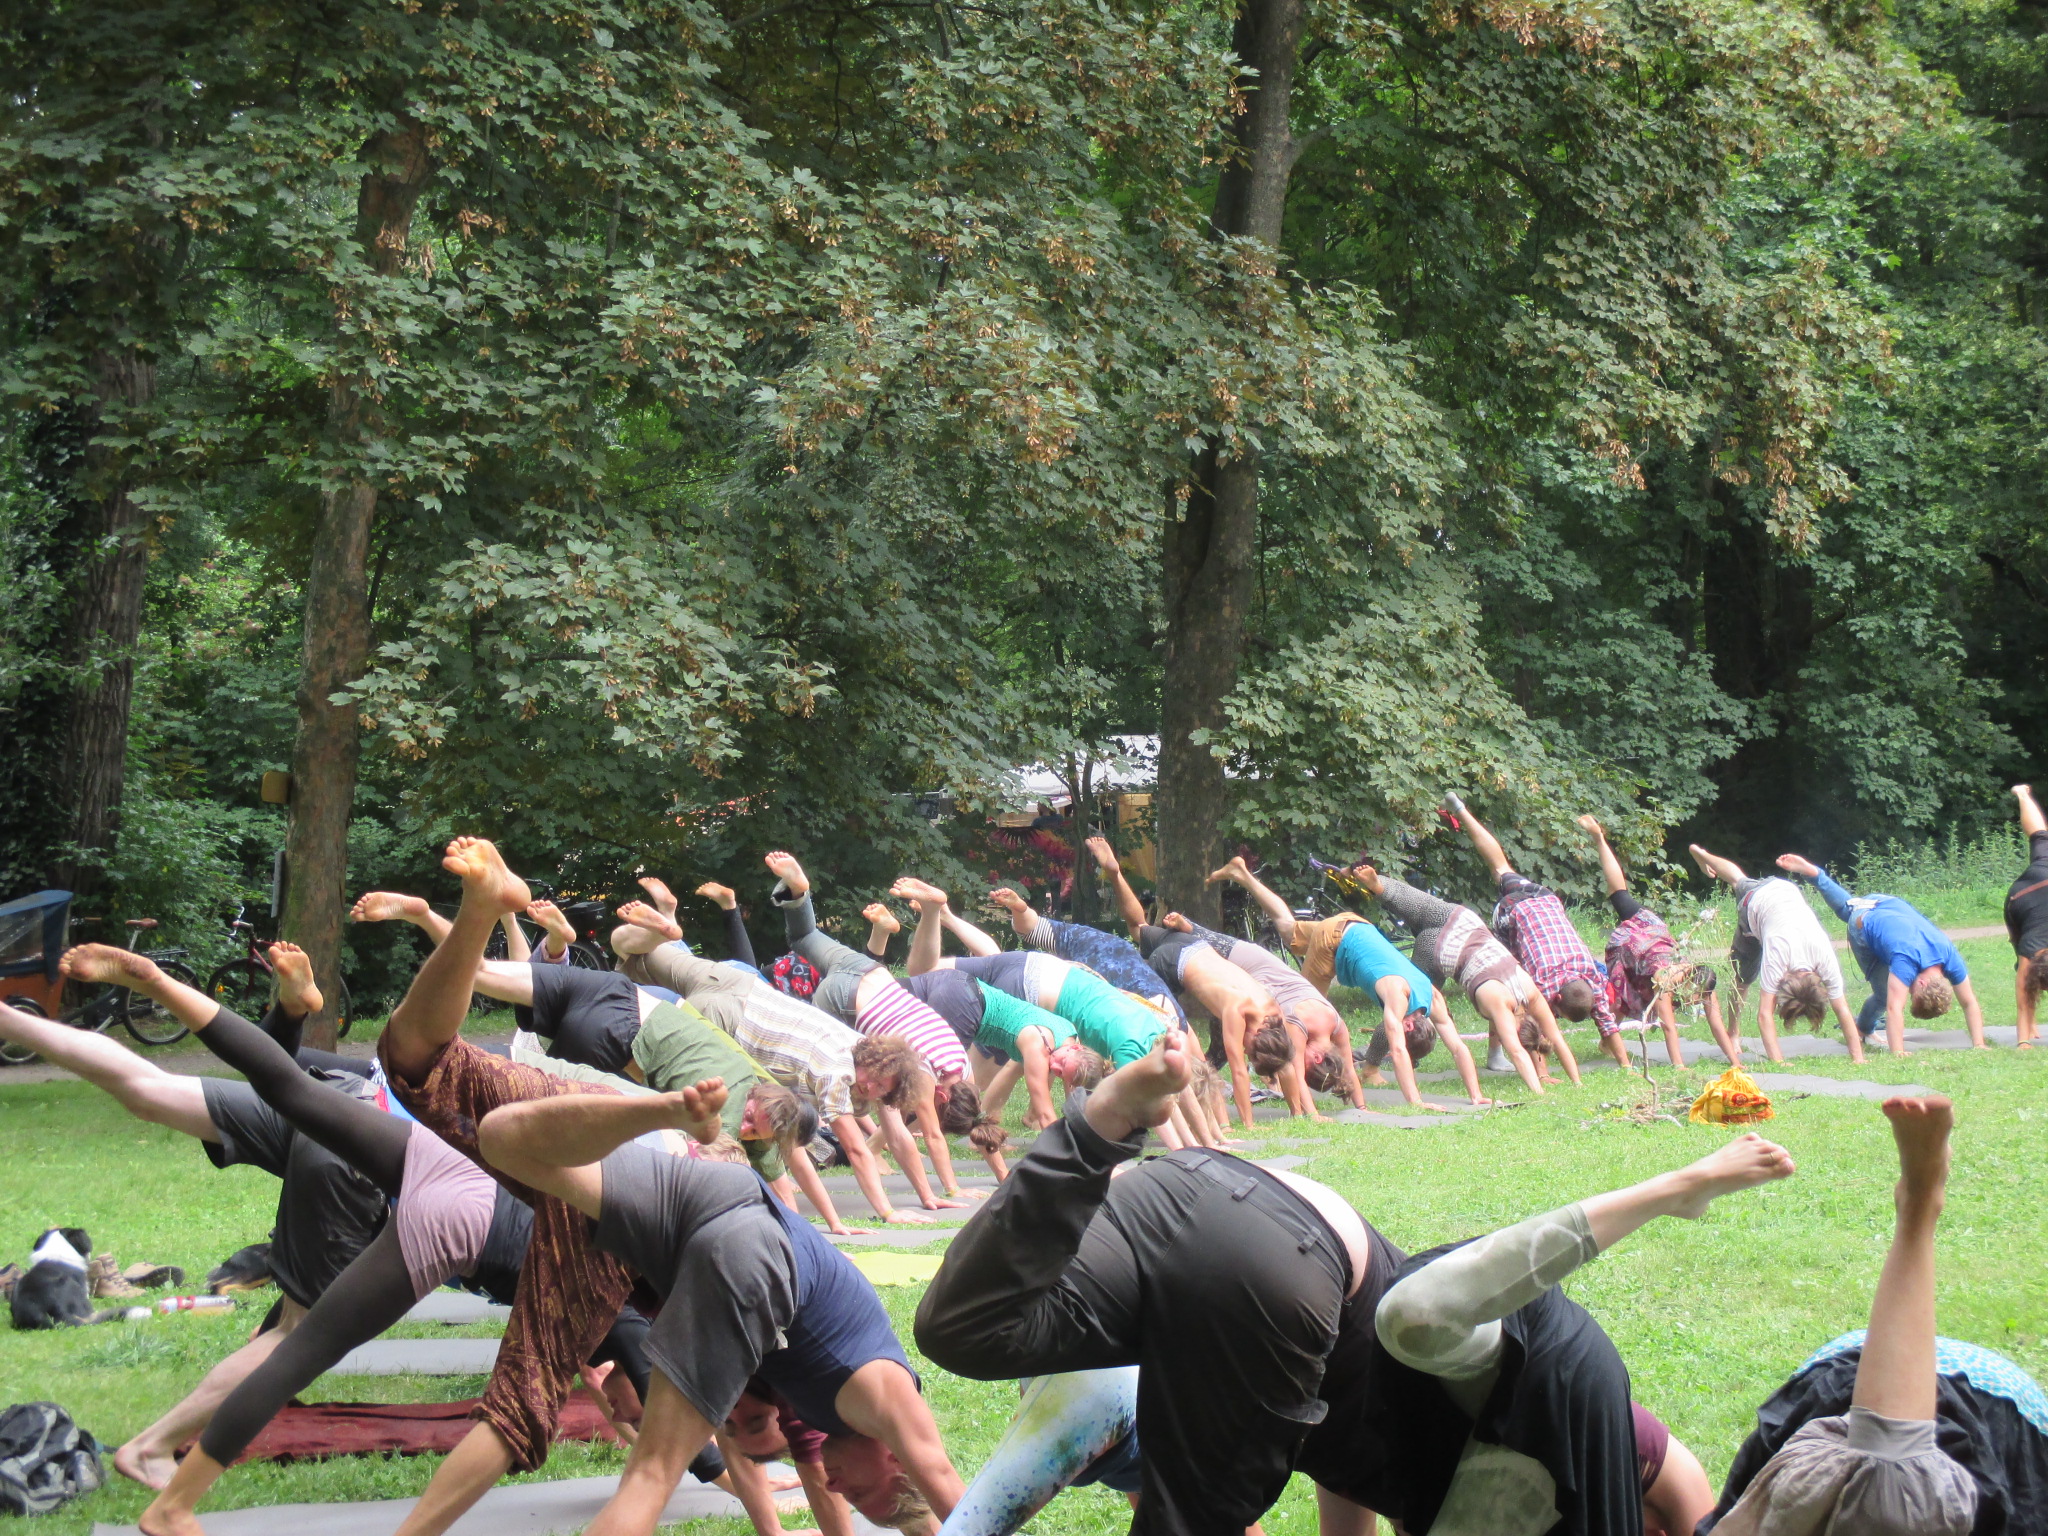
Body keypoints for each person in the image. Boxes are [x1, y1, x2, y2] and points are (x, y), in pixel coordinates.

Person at [54, 944, 747, 1536]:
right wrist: (746, 1489)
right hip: (459, 1215)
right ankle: (174, 1504)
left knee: (290, 1087)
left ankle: (158, 982)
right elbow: (613, 1405)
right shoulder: (619, 1277)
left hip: (442, 1155)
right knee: (317, 1353)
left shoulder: (625, 1177)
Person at [914, 1030, 1400, 1536]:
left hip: (1176, 1183)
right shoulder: (1434, 1449)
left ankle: (1095, 1131)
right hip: (1283, 1252)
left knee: (959, 1329)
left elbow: (1348, 1473)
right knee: (1185, 1520)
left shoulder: (1381, 1432)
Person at [472, 1077, 967, 1536]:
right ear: (896, 1461)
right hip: (756, 1254)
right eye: (859, 1493)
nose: (838, 1490)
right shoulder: (888, 1396)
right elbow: (946, 1483)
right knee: (649, 1477)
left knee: (501, 1141)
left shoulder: (832, 1414)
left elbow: (733, 1431)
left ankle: (659, 1112)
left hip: (717, 1203)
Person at [0, 974, 385, 1495]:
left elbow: (271, 1065)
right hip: (364, 1145)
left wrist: (289, 1015)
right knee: (298, 1337)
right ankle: (151, 1449)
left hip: (349, 1098)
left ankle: (11, 1020)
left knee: (146, 1085)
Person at [1311, 1130, 1796, 1536]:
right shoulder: (1633, 1462)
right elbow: (1693, 1493)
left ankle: (1678, 1192)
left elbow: (1389, 1487)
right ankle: (1675, 1191)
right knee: (1415, 1317)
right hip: (1535, 1367)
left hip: (1443, 1399)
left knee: (1413, 1320)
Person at [1702, 1097, 2031, 1535]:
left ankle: (1918, 1204)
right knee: (1892, 1497)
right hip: (1992, 1408)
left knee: (1883, 1488)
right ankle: (1919, 1204)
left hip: (1837, 1388)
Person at [608, 906, 939, 1228]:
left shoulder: (852, 1042)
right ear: (875, 1063)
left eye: (884, 1091)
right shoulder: (839, 1074)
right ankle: (654, 935)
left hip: (738, 983)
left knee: (634, 955)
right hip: (727, 1020)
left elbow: (886, 1136)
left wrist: (930, 1197)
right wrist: (887, 1212)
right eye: (878, 1081)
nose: (873, 1090)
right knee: (622, 984)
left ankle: (665, 927)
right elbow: (855, 1149)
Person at [894, 880, 1217, 1150]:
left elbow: (1177, 1089)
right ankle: (977, 1130)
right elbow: (1156, 1099)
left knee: (926, 970)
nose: (1058, 1071)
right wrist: (1184, 1150)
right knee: (980, 1071)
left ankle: (940, 913)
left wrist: (1204, 1143)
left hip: (1041, 966)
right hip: (1035, 991)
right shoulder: (1129, 1049)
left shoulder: (1156, 1022)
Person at [760, 851, 1008, 1188]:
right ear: (944, 1099)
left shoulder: (964, 1072)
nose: (926, 1112)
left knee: (802, 938)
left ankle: (799, 892)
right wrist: (951, 1190)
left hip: (870, 971)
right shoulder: (926, 1076)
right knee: (813, 1067)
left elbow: (980, 1123)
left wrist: (1004, 1176)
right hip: (843, 1001)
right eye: (936, 1108)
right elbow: (932, 1138)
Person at [1207, 857, 1488, 1111]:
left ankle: (1242, 874)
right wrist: (1416, 1101)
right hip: (1335, 942)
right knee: (1300, 1012)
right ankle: (1276, 1077)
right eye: (1399, 1035)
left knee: (1287, 927)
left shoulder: (1432, 996)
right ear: (1410, 1025)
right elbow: (1400, 1050)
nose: (1394, 1041)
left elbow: (1458, 1048)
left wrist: (1476, 1094)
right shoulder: (1398, 995)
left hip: (1356, 927)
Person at [1088, 848, 1302, 1126]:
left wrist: (1299, 1111)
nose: (1247, 1053)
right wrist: (1247, 1125)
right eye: (1251, 1051)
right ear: (1257, 1038)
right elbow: (1237, 1072)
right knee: (1189, 1045)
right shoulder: (1240, 1010)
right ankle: (1219, 1123)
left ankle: (1115, 873)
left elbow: (1283, 1058)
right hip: (1171, 963)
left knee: (1137, 927)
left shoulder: (1271, 1014)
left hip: (1192, 945)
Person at [1346, 863, 1579, 1093]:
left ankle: (1378, 885)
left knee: (1409, 898)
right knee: (1405, 1010)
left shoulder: (1530, 992)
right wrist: (1540, 1089)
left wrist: (1570, 1079)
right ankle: (1370, 1069)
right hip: (1439, 949)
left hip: (1461, 921)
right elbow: (1518, 1051)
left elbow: (1553, 1037)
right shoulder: (1500, 1006)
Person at [1445, 794, 1627, 1070]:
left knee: (1501, 867)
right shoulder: (1543, 986)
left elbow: (1609, 1026)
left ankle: (1461, 810)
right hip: (1512, 915)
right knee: (1503, 984)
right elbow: (1532, 1023)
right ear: (1558, 999)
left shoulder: (1592, 980)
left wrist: (1626, 1066)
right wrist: (1541, 1073)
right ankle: (1495, 1055)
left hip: (1544, 900)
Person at [1776, 853, 1987, 1055]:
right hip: (1863, 924)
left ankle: (1816, 875)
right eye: (1913, 993)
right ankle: (1864, 1029)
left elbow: (1969, 1002)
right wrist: (1898, 1051)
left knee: (1848, 908)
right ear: (1922, 984)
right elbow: (1894, 1008)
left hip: (1884, 902)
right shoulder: (1906, 961)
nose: (1909, 991)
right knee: (1884, 994)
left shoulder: (1950, 956)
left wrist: (1979, 1044)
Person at [1579, 815, 1740, 1069]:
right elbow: (1668, 1027)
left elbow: (1716, 1023)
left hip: (1654, 942)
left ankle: (1607, 1040)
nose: (1692, 1003)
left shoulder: (1704, 982)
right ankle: (1599, 837)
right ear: (1687, 983)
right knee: (1618, 893)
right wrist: (1679, 1066)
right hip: (1637, 938)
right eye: (1692, 998)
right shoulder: (1666, 981)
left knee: (1630, 996)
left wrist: (1734, 1062)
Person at [1688, 844, 1863, 1064]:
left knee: (1738, 879)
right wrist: (1778, 1060)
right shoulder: (1778, 956)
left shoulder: (1824, 958)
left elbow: (1843, 1010)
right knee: (1743, 980)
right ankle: (1733, 1033)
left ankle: (1703, 854)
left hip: (1784, 890)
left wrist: (1858, 1058)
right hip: (1755, 906)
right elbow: (1765, 1014)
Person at [2007, 783, 2048, 1049]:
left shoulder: (2030, 950)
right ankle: (2022, 794)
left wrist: (2023, 1043)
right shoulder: (2031, 948)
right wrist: (2021, 1042)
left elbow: (2024, 988)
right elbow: (2024, 990)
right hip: (2021, 899)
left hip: (2028, 892)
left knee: (2041, 837)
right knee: (2041, 838)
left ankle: (2022, 794)